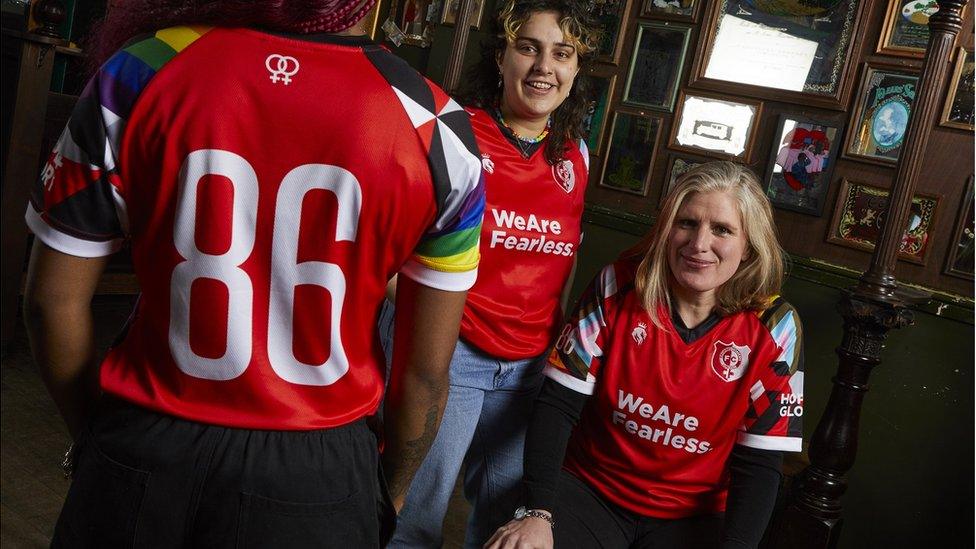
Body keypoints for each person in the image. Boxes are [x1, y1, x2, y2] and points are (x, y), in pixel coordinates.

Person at [22, 0, 485, 546]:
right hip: (319, 466)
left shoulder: (139, 70)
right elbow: (425, 376)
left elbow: (50, 303)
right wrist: (388, 492)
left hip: (147, 435)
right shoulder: (439, 126)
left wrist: (98, 439)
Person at [486, 161, 804, 549]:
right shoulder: (616, 285)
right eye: (687, 223)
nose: (699, 244)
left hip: (691, 516)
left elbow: (760, 466)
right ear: (667, 229)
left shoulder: (777, 326)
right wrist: (537, 514)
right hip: (591, 491)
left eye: (721, 229)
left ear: (749, 246)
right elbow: (557, 406)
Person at [378, 0, 599, 546]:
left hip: (528, 371)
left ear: (575, 70)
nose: (544, 66)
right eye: (529, 47)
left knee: (504, 526)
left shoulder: (577, 156)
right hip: (450, 357)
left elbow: (561, 265)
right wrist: (406, 326)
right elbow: (386, 246)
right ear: (501, 57)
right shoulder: (456, 133)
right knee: (415, 521)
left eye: (562, 54)